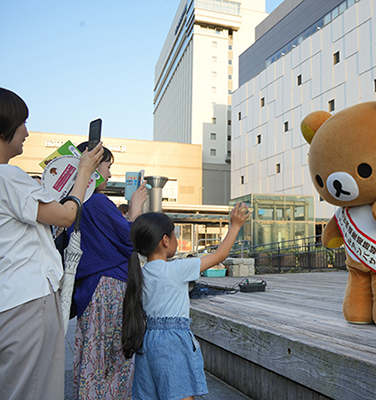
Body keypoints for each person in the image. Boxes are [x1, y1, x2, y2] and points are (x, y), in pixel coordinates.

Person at [0, 87, 104, 400]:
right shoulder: (8, 177)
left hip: (8, 299)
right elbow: (66, 215)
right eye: (22, 122)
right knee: (34, 389)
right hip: (26, 300)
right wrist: (84, 172)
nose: (26, 132)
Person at [122, 203, 250, 400]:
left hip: (146, 343)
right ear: (165, 240)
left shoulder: (140, 274)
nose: (177, 240)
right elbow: (220, 256)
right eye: (175, 235)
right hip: (172, 342)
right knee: (181, 393)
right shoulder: (177, 269)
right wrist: (235, 226)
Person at [71, 141, 148, 399]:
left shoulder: (74, 201)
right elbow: (131, 238)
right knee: (114, 364)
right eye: (107, 165)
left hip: (89, 291)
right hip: (109, 290)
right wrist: (135, 209)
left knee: (92, 362)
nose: (110, 173)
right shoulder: (97, 201)